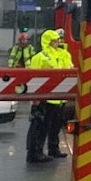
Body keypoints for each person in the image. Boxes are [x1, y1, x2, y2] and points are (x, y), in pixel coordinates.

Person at [28, 30, 73, 162]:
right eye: (54, 41)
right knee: (41, 126)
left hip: (60, 97)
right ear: (47, 42)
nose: (57, 43)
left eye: (58, 40)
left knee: (56, 126)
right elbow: (33, 79)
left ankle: (54, 149)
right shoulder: (39, 57)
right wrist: (35, 99)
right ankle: (36, 152)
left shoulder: (65, 55)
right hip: (45, 99)